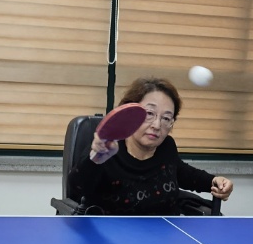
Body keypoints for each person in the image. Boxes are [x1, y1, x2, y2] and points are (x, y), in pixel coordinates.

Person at [68, 76, 233, 215]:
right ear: (130, 114)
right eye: (149, 113)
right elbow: (77, 188)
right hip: (113, 236)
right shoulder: (108, 148)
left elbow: (182, 172)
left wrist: (214, 181)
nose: (157, 125)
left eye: (166, 118)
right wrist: (96, 159)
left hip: (163, 237)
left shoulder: (166, 146)